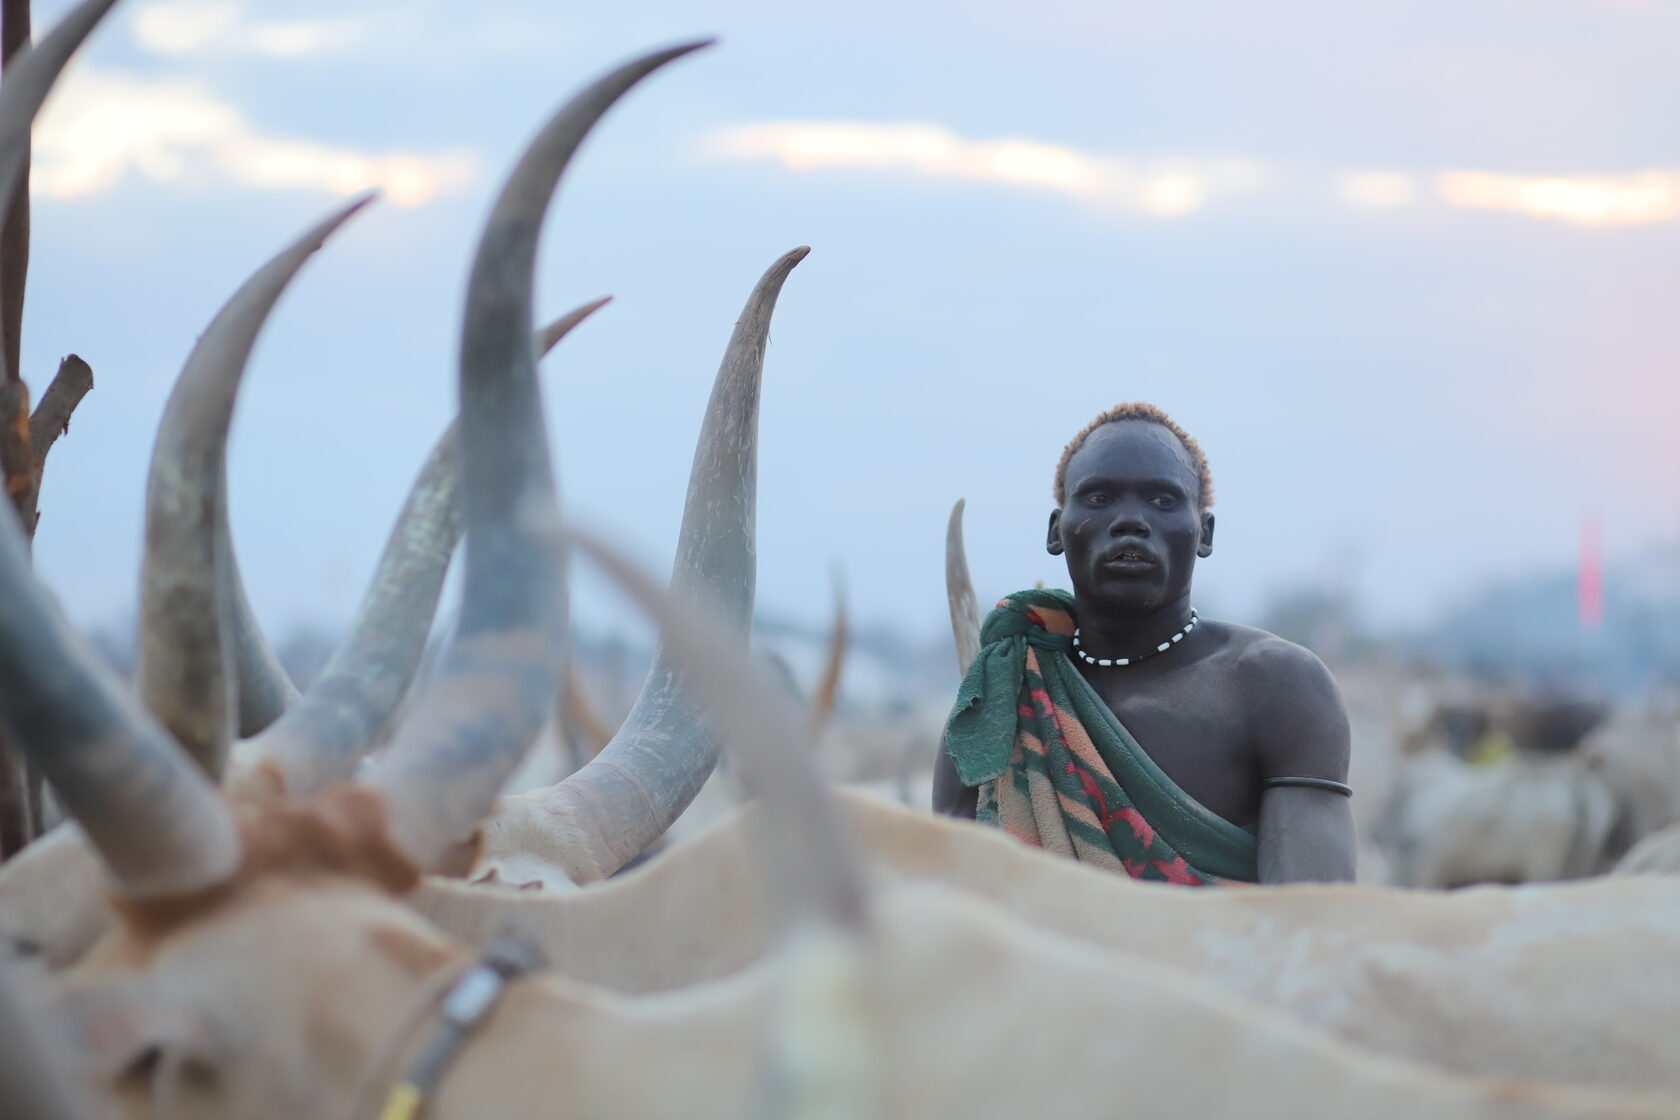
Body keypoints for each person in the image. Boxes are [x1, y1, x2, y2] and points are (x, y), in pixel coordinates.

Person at [933, 402, 1355, 884]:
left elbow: (1315, 920)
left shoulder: (1279, 685)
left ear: (1205, 533)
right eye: (1098, 499)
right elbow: (946, 894)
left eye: (1162, 501)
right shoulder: (1001, 693)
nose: (1130, 520)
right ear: (1056, 531)